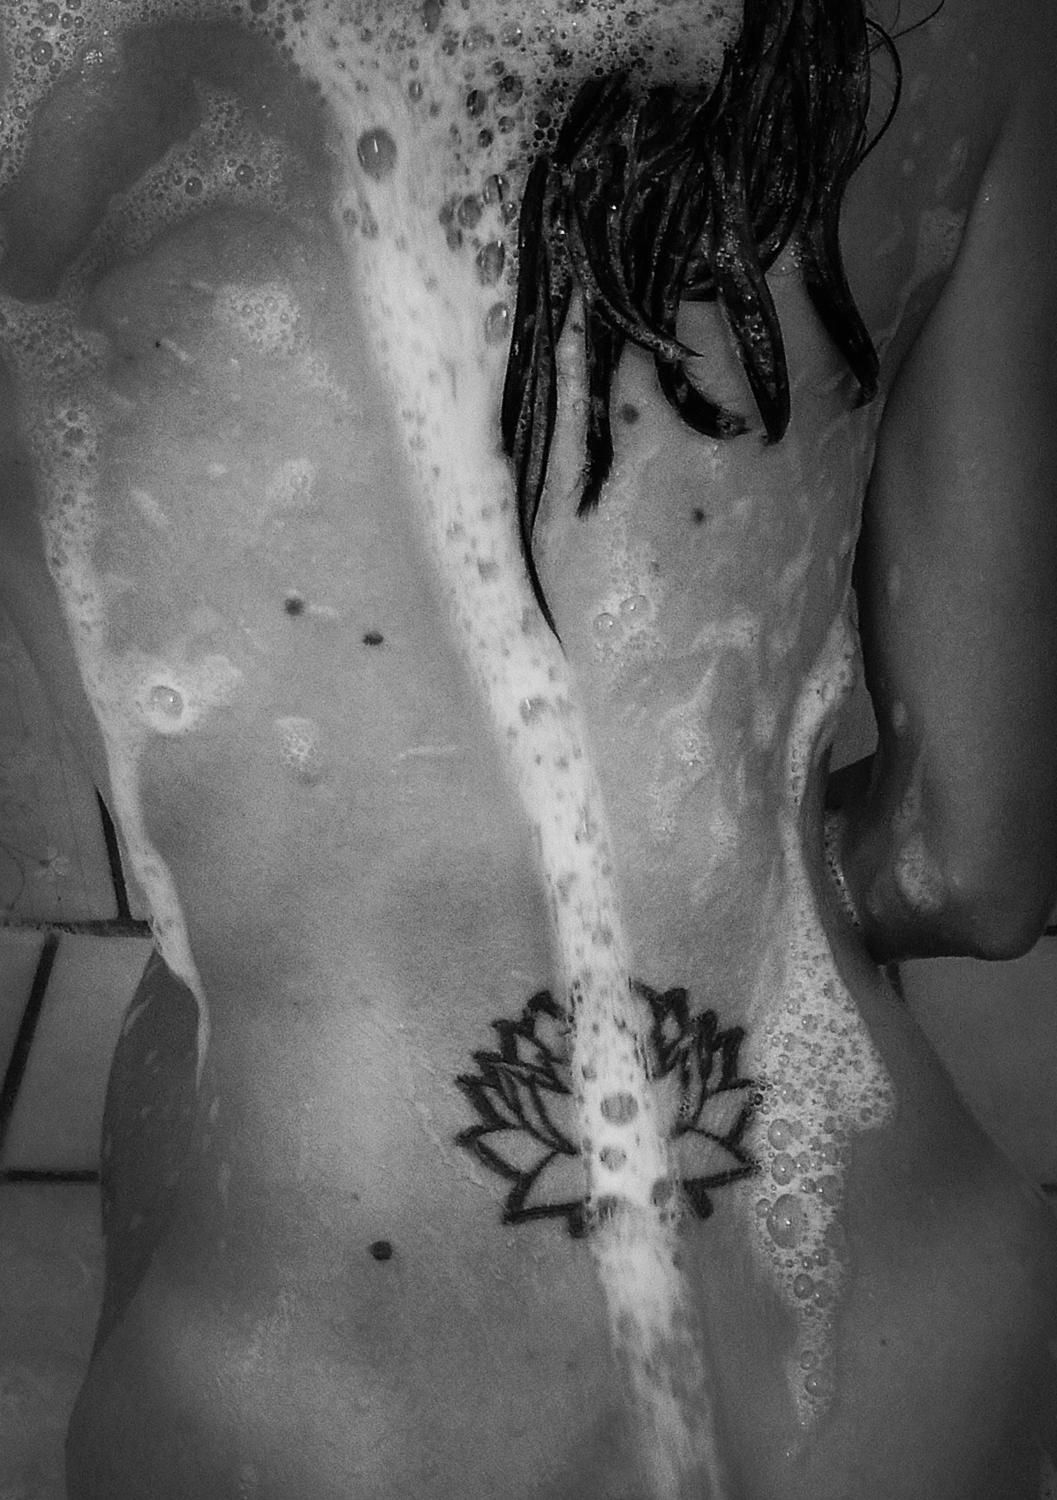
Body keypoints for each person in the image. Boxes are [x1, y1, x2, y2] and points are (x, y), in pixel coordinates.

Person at [1, 0, 1055, 1495]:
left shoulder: (50, 67)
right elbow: (975, 866)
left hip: (305, 1410)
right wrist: (733, 906)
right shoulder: (970, 32)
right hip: (892, 1332)